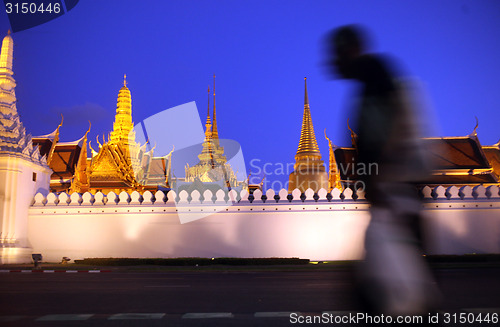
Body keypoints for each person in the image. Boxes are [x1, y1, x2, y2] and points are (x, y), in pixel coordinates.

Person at [325, 25, 440, 316]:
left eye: (336, 54)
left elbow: (382, 134)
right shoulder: (376, 79)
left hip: (393, 199)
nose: (332, 62)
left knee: (402, 300)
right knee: (382, 289)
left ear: (349, 50)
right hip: (396, 199)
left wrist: (375, 178)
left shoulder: (376, 78)